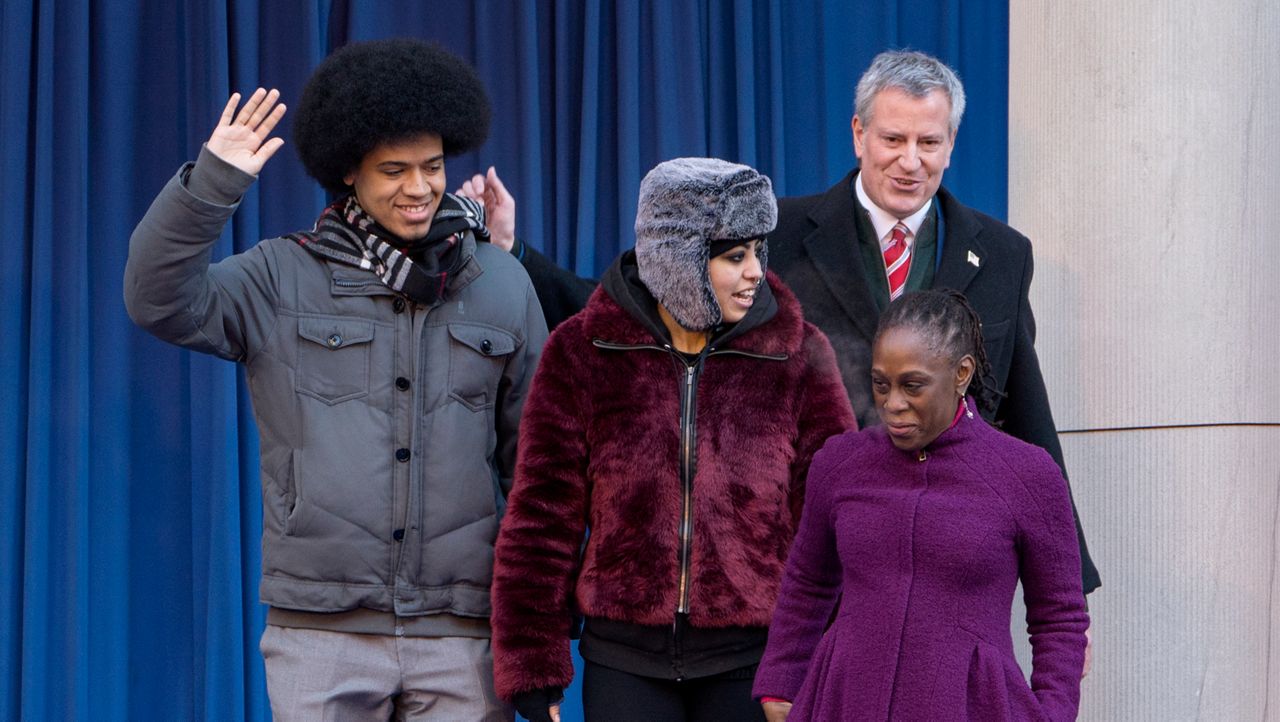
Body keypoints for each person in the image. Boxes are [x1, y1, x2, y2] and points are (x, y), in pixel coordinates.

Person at [468, 48, 1101, 620]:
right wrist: (516, 254)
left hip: (954, 559)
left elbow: (1025, 409)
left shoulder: (1001, 253)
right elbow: (646, 314)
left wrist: (1065, 588)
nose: (910, 161)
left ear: (952, 144)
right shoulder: (780, 236)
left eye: (929, 142)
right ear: (858, 134)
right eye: (893, 138)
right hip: (818, 551)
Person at [123, 39, 545, 720]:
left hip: (465, 632)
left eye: (432, 167)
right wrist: (211, 186)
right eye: (394, 170)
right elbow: (156, 300)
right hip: (320, 628)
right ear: (349, 172)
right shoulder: (279, 276)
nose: (418, 187)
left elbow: (539, 461)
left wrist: (537, 629)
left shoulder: (499, 281)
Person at [487, 158, 856, 722]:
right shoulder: (582, 351)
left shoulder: (799, 354)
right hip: (623, 659)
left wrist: (821, 659)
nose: (756, 271)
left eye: (759, 250)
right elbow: (541, 518)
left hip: (755, 663)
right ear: (677, 257)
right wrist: (534, 667)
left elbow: (834, 524)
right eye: (735, 256)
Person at [752, 289, 1089, 721]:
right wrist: (780, 683)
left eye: (913, 385)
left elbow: (1059, 616)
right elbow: (807, 582)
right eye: (881, 384)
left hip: (972, 707)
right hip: (846, 701)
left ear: (961, 373)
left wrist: (1053, 713)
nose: (893, 404)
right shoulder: (840, 463)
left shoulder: (1027, 473)